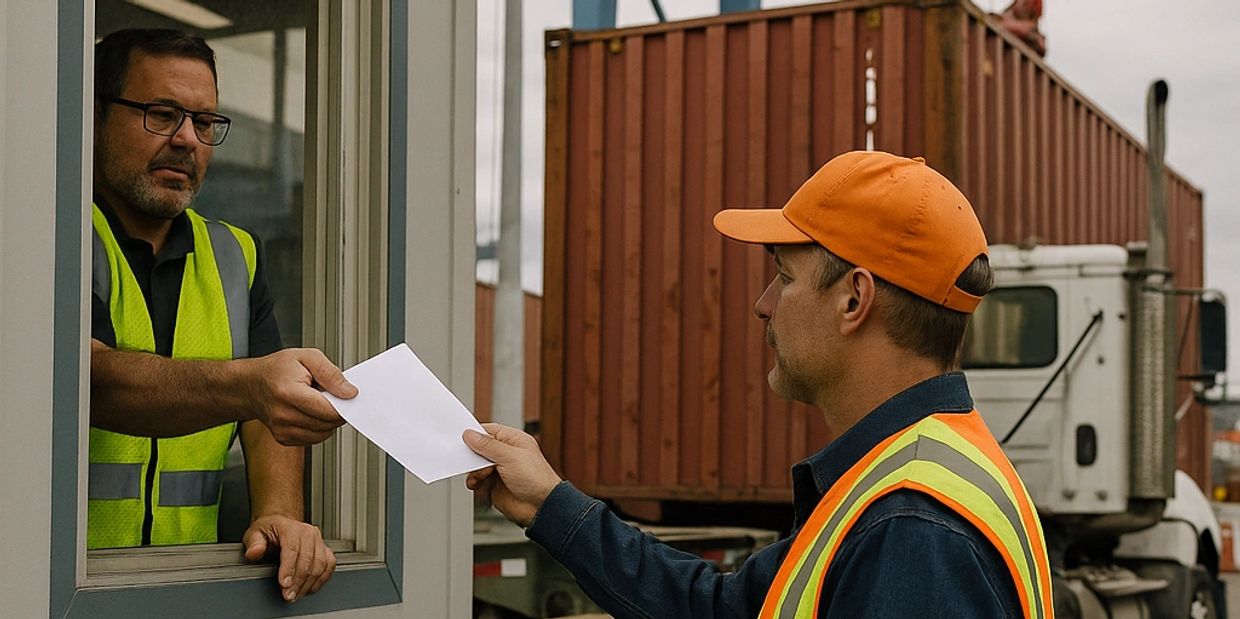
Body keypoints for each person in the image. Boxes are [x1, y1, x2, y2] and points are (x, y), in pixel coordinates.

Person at [464, 151, 1055, 618]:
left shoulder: (911, 527)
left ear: (855, 298)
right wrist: (549, 503)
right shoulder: (911, 474)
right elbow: (723, 610)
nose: (762, 305)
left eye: (783, 276)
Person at [88, 29, 354, 603]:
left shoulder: (236, 254)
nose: (188, 140)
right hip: (58, 584)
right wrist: (254, 387)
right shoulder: (59, 237)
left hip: (191, 584)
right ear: (93, 116)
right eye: (162, 114)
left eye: (205, 123)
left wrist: (280, 515)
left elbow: (265, 416)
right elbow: (90, 382)